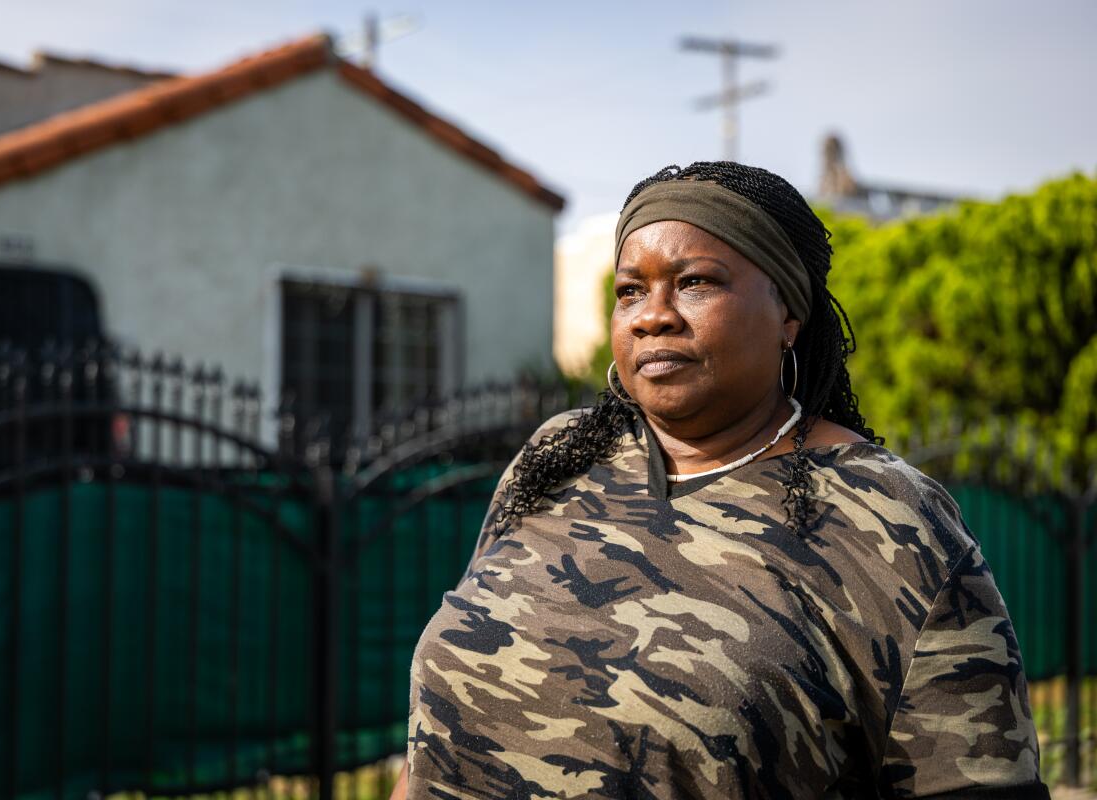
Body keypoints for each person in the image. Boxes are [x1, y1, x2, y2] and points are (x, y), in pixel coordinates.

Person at [390, 161, 1048, 799]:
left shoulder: (889, 516)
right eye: (630, 290)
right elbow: (430, 750)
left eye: (696, 282)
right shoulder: (558, 457)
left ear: (789, 314)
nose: (653, 314)